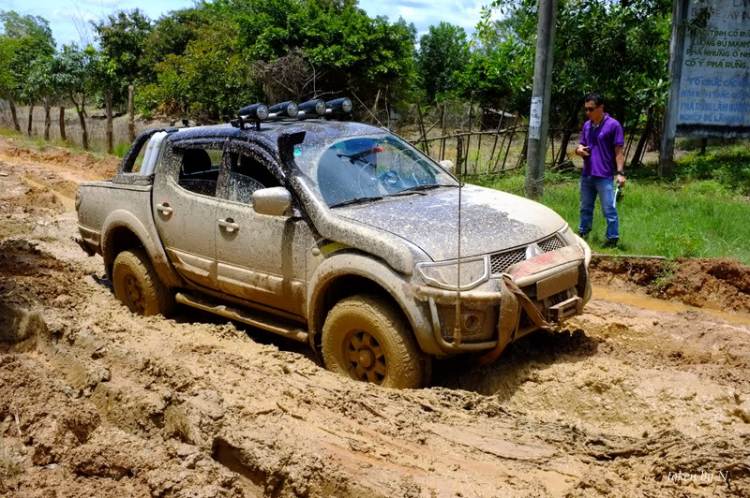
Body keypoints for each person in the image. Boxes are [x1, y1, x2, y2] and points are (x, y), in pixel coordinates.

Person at [575, 93, 626, 248]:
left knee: (608, 209)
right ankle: (583, 236)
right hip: (587, 174)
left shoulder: (613, 125)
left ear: (601, 107)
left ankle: (612, 239)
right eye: (586, 110)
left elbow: (619, 151)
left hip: (604, 175)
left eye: (591, 109)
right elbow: (580, 145)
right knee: (585, 207)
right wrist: (579, 150)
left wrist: (620, 173)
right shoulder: (587, 126)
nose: (588, 112)